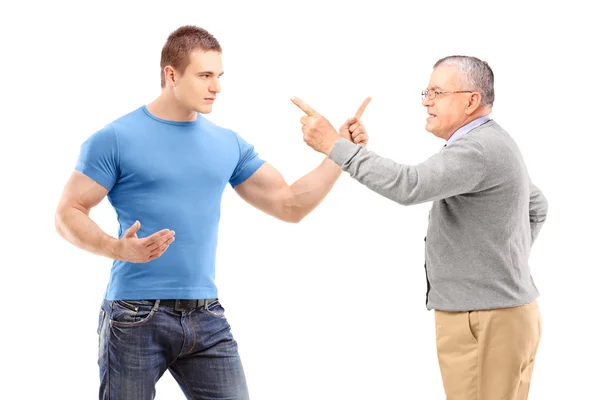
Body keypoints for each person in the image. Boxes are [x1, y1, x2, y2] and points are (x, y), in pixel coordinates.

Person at [54, 25, 370, 400]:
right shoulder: (115, 139)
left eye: (218, 76)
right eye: (205, 75)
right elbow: (68, 212)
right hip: (135, 314)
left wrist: (341, 151)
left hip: (206, 316)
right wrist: (116, 248)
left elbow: (289, 204)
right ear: (172, 74)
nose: (216, 87)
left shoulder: (226, 143)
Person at [291, 55, 548, 400]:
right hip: (497, 314)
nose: (426, 101)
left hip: (485, 318)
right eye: (427, 91)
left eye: (438, 92)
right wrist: (503, 266)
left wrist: (335, 147)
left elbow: (408, 185)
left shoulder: (477, 149)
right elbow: (537, 205)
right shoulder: (492, 142)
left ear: (471, 100)